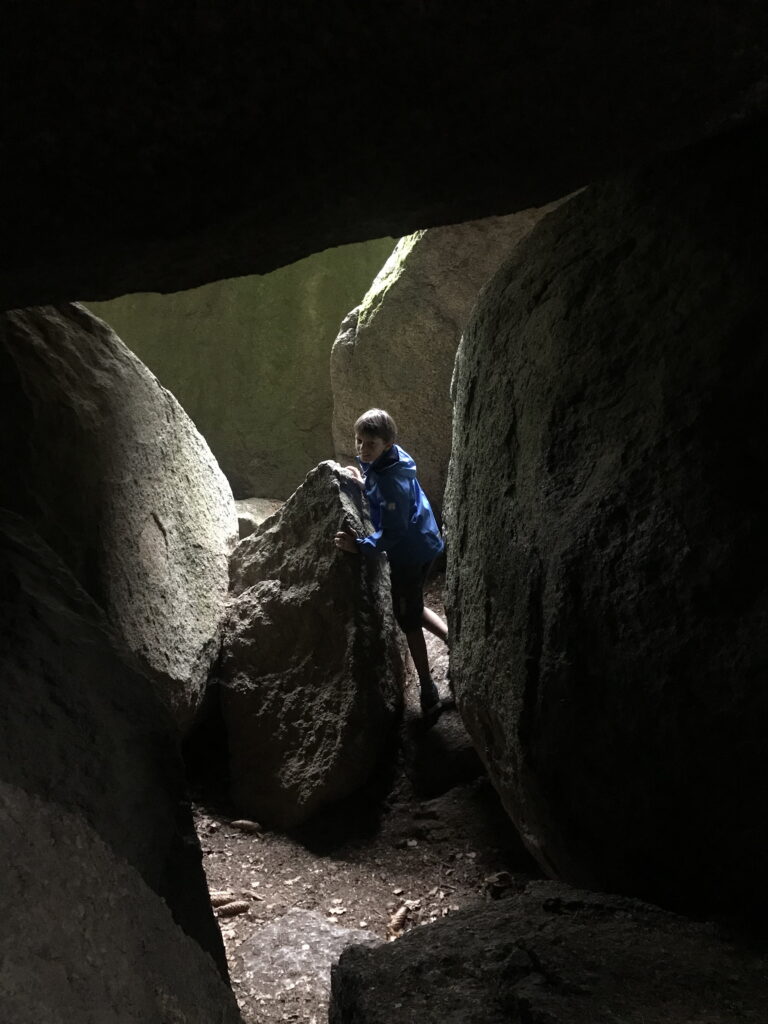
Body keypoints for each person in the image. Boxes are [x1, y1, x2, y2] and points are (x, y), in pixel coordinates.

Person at [334, 407, 448, 724]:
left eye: (369, 444)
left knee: (407, 619)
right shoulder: (393, 459)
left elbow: (394, 531)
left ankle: (428, 688)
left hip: (410, 553)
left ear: (386, 443)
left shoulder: (389, 482)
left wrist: (360, 546)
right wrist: (364, 478)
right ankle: (452, 639)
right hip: (425, 539)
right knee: (413, 605)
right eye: (358, 441)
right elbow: (381, 484)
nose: (361, 448)